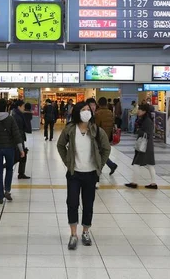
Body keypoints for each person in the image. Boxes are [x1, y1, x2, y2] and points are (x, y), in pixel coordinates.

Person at [57, 102, 111, 251]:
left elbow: (106, 148)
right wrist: (68, 162)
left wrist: (100, 164)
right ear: (77, 112)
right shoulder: (70, 129)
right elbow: (60, 145)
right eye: (83, 110)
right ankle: (73, 234)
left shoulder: (96, 130)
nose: (87, 112)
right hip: (74, 173)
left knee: (88, 204)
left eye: (89, 109)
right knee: (72, 203)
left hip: (91, 174)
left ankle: (85, 231)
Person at [0, 99, 25, 204]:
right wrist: (21, 150)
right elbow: (16, 135)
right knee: (9, 169)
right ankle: (7, 190)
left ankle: (0, 196)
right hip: (9, 148)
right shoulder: (10, 119)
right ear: (6, 107)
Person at [125, 104, 158, 189]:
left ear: (144, 111)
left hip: (145, 146)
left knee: (136, 163)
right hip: (147, 146)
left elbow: (148, 133)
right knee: (150, 164)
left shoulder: (147, 121)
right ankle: (153, 183)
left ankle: (134, 182)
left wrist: (139, 131)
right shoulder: (145, 120)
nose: (138, 111)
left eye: (140, 109)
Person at [92, 97, 118, 177]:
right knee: (102, 152)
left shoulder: (98, 113)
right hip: (108, 135)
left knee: (99, 153)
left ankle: (99, 169)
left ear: (98, 104)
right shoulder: (110, 112)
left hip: (100, 136)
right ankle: (111, 165)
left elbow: (96, 126)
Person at [12, 100, 32, 179]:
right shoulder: (16, 116)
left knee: (22, 155)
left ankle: (21, 173)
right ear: (19, 107)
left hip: (19, 137)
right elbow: (18, 129)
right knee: (21, 155)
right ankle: (7, 165)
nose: (24, 108)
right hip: (18, 138)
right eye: (23, 106)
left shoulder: (17, 114)